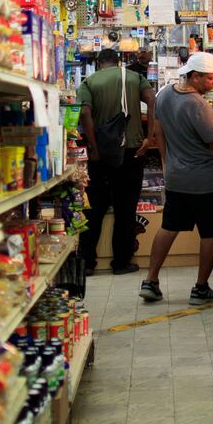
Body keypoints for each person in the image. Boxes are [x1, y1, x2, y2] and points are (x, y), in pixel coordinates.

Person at [139, 52, 213, 305]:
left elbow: (158, 131)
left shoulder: (163, 94)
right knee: (210, 232)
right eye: (211, 79)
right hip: (205, 180)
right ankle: (200, 288)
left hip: (176, 177)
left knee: (169, 226)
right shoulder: (197, 105)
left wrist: (167, 161)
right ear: (195, 76)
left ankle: (150, 281)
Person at [78, 48, 155, 276]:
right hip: (132, 150)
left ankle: (88, 263)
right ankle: (121, 262)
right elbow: (152, 100)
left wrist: (93, 146)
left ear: (99, 63)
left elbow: (84, 114)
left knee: (93, 209)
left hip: (101, 155)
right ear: (118, 61)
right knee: (125, 209)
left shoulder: (88, 82)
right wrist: (149, 137)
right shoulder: (134, 77)